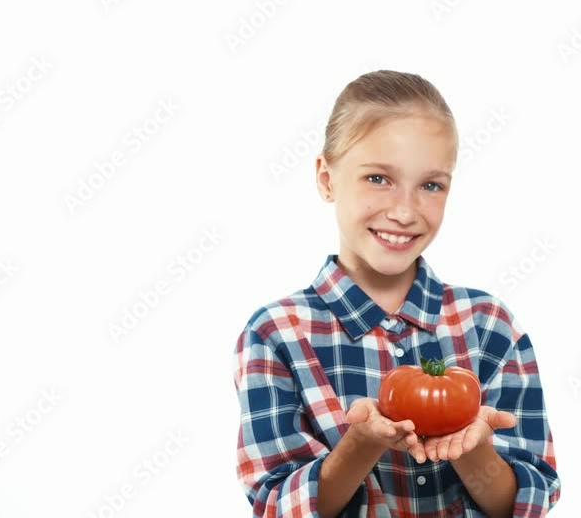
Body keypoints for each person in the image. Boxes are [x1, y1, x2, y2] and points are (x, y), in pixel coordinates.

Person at [234, 70, 561, 517]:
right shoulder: (277, 334)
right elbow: (277, 505)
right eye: (378, 178)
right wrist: (361, 444)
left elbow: (526, 502)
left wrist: (471, 448)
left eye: (430, 185)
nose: (405, 212)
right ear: (327, 179)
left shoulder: (489, 325)